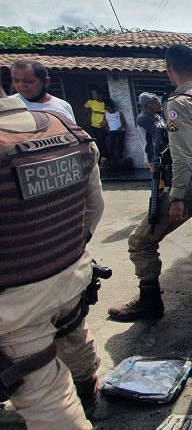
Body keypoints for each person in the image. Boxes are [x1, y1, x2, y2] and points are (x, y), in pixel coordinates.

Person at [0, 96, 104, 430]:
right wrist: (71, 246)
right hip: (71, 273)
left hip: (15, 302)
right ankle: (88, 387)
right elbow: (95, 206)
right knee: (73, 333)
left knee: (45, 396)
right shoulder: (69, 131)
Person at [108, 44, 192, 322]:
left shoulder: (178, 103)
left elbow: (183, 155)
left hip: (188, 186)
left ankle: (150, 302)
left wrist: (177, 197)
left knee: (140, 241)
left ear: (169, 70)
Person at [10, 59, 75, 123]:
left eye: (28, 81)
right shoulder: (7, 105)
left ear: (46, 82)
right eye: (16, 81)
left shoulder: (63, 106)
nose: (21, 85)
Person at [84, 88, 109, 163]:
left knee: (102, 140)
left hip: (103, 125)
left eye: (95, 94)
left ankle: (105, 157)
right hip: (94, 124)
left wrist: (106, 121)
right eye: (93, 94)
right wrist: (89, 115)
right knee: (97, 141)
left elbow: (110, 112)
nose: (93, 95)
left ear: (100, 95)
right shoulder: (91, 102)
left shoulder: (105, 103)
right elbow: (85, 107)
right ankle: (101, 157)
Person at [103, 97, 126, 162]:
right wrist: (108, 129)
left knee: (120, 143)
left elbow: (124, 123)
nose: (109, 111)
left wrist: (120, 128)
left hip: (120, 130)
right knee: (112, 144)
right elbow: (105, 123)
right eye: (108, 109)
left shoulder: (118, 113)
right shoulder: (106, 114)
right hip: (112, 131)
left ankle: (120, 156)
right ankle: (112, 157)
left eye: (110, 109)